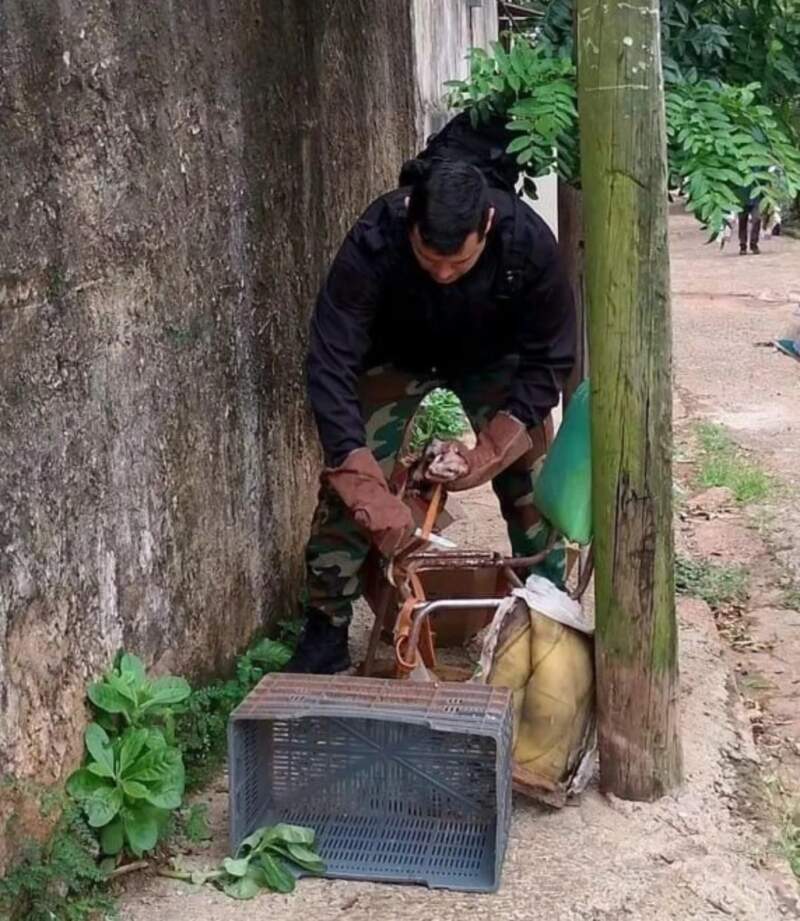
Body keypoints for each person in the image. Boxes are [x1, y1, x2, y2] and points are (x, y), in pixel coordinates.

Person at [285, 159, 576, 674]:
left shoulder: (528, 244)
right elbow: (331, 361)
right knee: (350, 487)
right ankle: (325, 627)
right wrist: (360, 477)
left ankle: (548, 608)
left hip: (493, 360)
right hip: (395, 356)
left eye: (458, 265)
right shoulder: (374, 240)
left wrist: (487, 451)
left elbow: (550, 357)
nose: (442, 275)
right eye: (427, 259)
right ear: (409, 223)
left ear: (486, 225)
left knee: (529, 474)